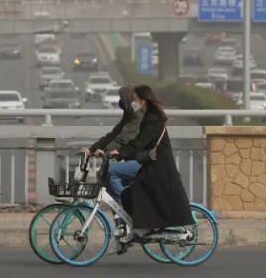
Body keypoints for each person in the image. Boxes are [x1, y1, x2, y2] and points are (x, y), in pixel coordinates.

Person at [115, 85, 193, 240]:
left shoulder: (152, 119)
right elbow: (139, 141)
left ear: (143, 100)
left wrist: (120, 153)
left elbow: (141, 143)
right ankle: (145, 227)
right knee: (131, 192)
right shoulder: (149, 116)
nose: (133, 102)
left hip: (159, 166)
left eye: (135, 99)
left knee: (137, 191)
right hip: (153, 164)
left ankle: (146, 228)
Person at [82, 86, 141, 201]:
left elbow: (123, 138)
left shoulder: (138, 116)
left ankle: (127, 204)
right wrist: (91, 149)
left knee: (111, 173)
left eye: (123, 99)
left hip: (143, 162)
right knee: (109, 185)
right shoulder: (129, 115)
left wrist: (105, 151)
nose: (121, 102)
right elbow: (113, 134)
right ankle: (122, 211)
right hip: (133, 159)